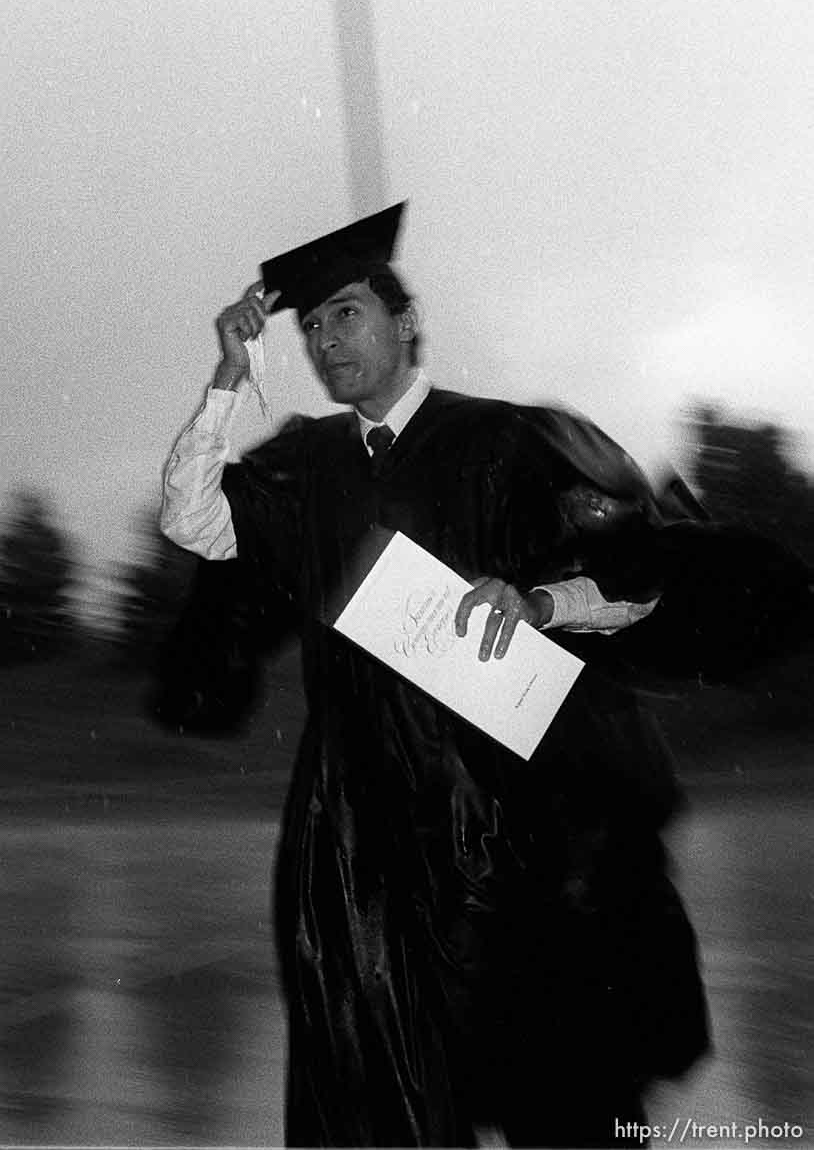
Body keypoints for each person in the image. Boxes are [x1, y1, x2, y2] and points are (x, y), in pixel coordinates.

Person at [159, 204, 806, 1147]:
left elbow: (640, 573)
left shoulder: (508, 443)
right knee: (388, 1106)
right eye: (311, 327)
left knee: (561, 1095)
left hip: (511, 835)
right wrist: (228, 374)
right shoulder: (306, 466)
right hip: (363, 847)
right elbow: (192, 517)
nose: (326, 341)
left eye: (346, 314)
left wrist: (541, 602)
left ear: (406, 321)